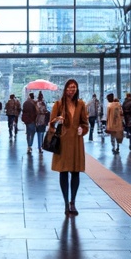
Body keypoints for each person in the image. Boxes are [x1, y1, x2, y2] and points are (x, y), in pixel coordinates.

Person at [50, 79, 89, 216]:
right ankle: (66, 203)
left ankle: (73, 201)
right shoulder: (59, 104)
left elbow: (85, 123)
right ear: (65, 89)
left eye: (74, 87)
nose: (71, 90)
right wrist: (56, 121)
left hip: (76, 142)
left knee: (76, 172)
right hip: (63, 142)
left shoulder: (81, 104)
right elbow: (51, 124)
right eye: (69, 87)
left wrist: (83, 130)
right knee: (63, 172)